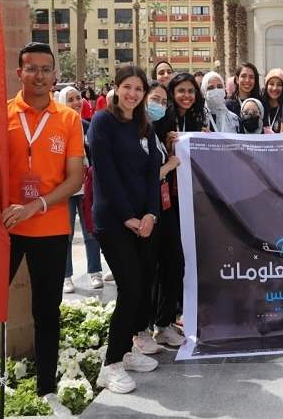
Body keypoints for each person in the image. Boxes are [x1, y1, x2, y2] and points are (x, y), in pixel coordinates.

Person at [0, 42, 84, 414]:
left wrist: (34, 206)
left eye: (46, 69)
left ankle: (47, 389)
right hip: (2, 229)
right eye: (31, 68)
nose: (39, 75)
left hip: (50, 228)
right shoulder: (0, 115)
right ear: (18, 72)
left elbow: (74, 179)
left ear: (55, 75)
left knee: (47, 312)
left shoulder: (68, 119)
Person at [89, 66, 160, 394]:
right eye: (127, 87)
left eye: (138, 89)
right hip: (114, 221)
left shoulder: (144, 125)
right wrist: (128, 216)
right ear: (116, 88)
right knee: (130, 288)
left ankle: (127, 351)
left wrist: (150, 215)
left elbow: (151, 173)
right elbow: (105, 173)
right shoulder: (103, 121)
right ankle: (111, 364)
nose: (132, 93)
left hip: (142, 222)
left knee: (142, 288)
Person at [145, 81, 185, 348]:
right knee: (148, 272)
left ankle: (164, 322)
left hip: (165, 206)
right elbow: (144, 176)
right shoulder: (132, 131)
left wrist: (171, 150)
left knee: (174, 264)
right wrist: (169, 164)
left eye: (162, 101)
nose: (158, 105)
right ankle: (141, 331)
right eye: (154, 99)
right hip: (145, 210)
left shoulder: (156, 132)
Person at [57, 86, 102, 292]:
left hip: (86, 190)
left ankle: (95, 272)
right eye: (70, 99)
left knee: (90, 232)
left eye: (77, 98)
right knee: (64, 234)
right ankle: (66, 276)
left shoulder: (87, 125)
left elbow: (94, 156)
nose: (76, 102)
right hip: (65, 191)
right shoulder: (56, 128)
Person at [262, 68, 283, 133]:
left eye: (279, 85)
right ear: (266, 86)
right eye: (271, 84)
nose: (274, 88)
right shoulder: (260, 106)